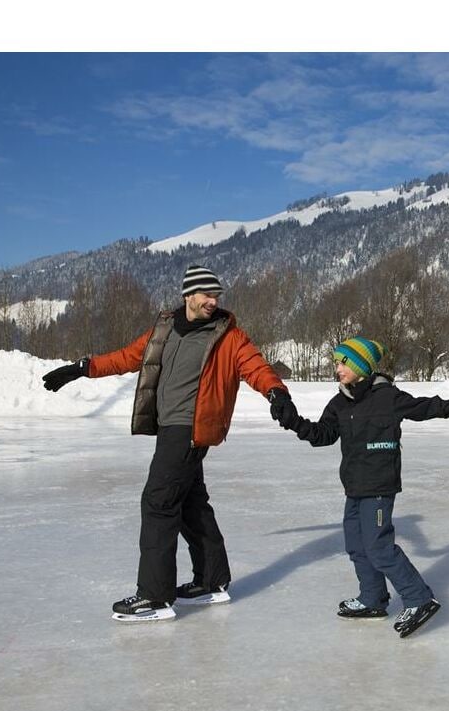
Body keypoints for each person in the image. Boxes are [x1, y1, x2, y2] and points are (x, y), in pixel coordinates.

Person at [42, 265, 290, 622]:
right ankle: (211, 580)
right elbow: (129, 356)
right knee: (190, 502)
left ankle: (155, 596)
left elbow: (255, 366)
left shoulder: (228, 335)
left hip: (190, 428)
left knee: (158, 501)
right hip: (169, 426)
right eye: (206, 294)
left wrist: (276, 391)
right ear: (188, 295)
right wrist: (83, 367)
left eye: (217, 295)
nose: (213, 301)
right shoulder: (164, 327)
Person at [273, 336, 449, 639]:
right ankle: (373, 598)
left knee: (378, 545)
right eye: (336, 363)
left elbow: (429, 407)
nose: (337, 369)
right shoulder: (339, 402)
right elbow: (322, 435)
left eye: (342, 363)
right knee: (356, 545)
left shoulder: (388, 398)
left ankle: (419, 598)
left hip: (379, 485)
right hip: (354, 487)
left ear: (360, 366)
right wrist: (294, 421)